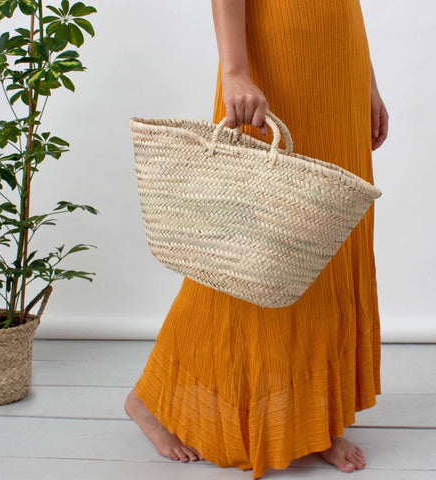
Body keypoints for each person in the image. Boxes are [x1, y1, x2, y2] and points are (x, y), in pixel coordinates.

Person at [124, 0, 389, 478]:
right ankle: (149, 397)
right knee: (249, 247)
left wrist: (365, 79)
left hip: (338, 60)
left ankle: (314, 418)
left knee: (321, 241)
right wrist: (235, 70)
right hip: (279, 55)